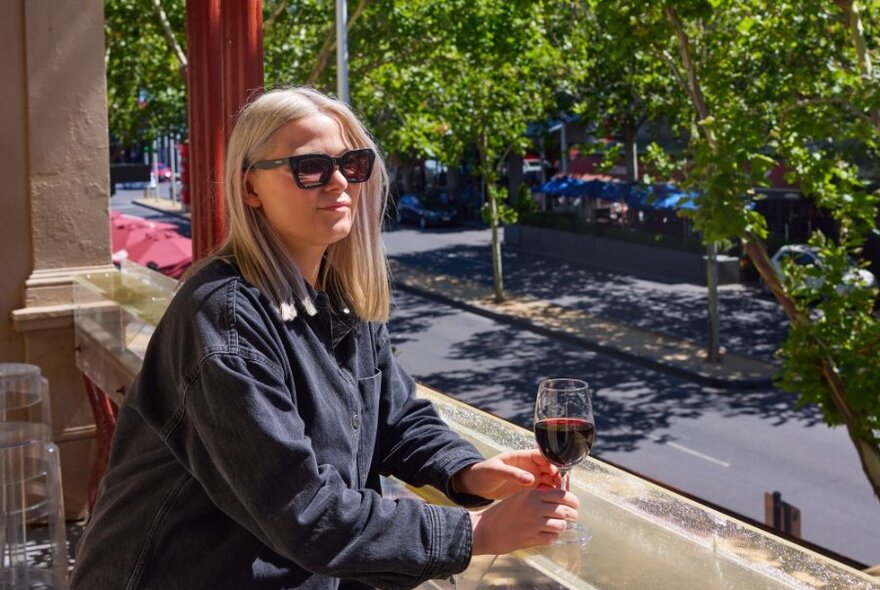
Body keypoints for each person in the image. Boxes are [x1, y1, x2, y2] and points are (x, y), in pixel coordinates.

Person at [70, 86, 579, 589]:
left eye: (353, 164)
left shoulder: (340, 298)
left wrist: (468, 471)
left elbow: (395, 418)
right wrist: (476, 532)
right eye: (308, 167)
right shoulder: (225, 320)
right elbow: (303, 511)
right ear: (250, 188)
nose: (339, 182)